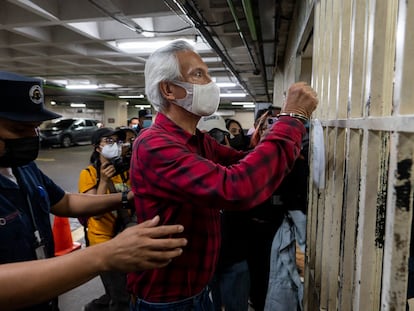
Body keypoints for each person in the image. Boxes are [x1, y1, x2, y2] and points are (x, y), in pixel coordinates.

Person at [127, 40, 317, 310]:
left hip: (196, 289)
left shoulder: (198, 141)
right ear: (168, 89)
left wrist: (272, 141)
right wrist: (292, 119)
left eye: (207, 74)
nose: (209, 83)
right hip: (168, 299)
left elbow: (244, 163)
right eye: (198, 75)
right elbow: (236, 187)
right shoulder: (154, 145)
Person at [0, 71, 187, 311]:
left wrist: (126, 197)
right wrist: (103, 255)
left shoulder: (23, 168)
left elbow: (65, 202)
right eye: (18, 130)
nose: (32, 138)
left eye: (35, 128)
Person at [246, 110, 309, 311]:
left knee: (275, 280)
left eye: (275, 126)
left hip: (278, 229)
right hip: (249, 233)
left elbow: (298, 202)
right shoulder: (248, 159)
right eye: (265, 125)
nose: (269, 130)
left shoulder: (297, 163)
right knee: (256, 281)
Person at [78, 127, 135, 311]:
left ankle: (94, 308)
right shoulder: (88, 174)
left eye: (117, 142)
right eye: (108, 141)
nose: (115, 145)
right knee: (120, 297)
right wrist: (103, 181)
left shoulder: (125, 171)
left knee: (122, 290)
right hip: (103, 241)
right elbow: (96, 212)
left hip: (125, 238)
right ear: (97, 148)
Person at [197, 116, 250, 311]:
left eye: (219, 136)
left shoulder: (236, 171)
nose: (216, 141)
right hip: (203, 262)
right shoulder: (191, 172)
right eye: (210, 136)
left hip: (234, 257)